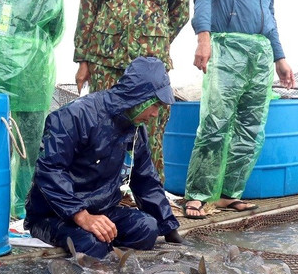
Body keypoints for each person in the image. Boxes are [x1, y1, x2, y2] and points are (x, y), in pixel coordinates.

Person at [25, 56, 185, 259]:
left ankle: (104, 243)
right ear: (140, 98)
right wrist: (81, 216)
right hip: (55, 213)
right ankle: (96, 249)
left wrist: (169, 228)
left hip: (101, 209)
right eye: (155, 105)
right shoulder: (74, 116)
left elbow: (145, 179)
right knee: (92, 245)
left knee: (148, 229)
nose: (155, 114)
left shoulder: (135, 129)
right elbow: (50, 171)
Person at [182, 0, 295, 218]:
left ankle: (229, 193)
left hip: (261, 53)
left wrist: (279, 57)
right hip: (227, 47)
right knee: (215, 124)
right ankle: (197, 195)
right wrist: (204, 38)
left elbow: (269, 14)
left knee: (250, 128)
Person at [73, 0, 189, 183]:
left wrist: (155, 35)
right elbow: (88, 8)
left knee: (151, 130)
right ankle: (101, 191)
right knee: (103, 127)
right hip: (106, 59)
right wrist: (83, 60)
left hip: (151, 63)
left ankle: (151, 195)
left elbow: (181, 9)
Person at [0, 0, 64, 220]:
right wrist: (27, 42)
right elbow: (54, 30)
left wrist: (1, 42)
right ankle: (22, 207)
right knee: (24, 144)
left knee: (1, 140)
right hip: (30, 67)